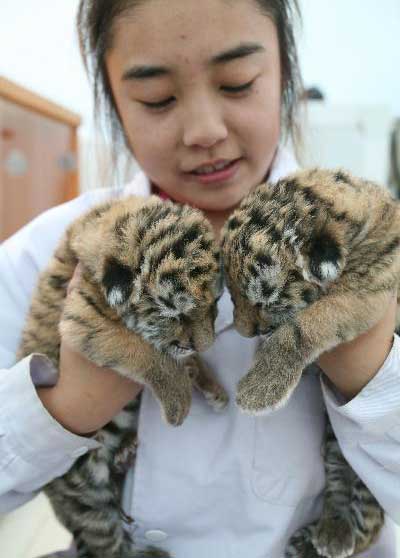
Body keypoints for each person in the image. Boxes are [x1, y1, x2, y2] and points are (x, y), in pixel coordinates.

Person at [1, 1, 399, 557]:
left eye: (237, 83)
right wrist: (67, 406)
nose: (205, 131)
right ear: (113, 102)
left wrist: (374, 378)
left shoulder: (371, 241)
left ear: (284, 72)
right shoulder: (47, 252)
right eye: (156, 98)